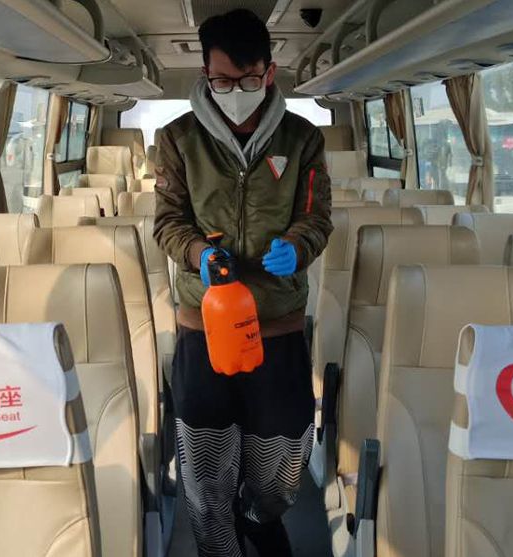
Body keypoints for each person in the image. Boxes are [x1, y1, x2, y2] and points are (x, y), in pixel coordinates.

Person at [153, 9, 333, 556]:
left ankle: (258, 516)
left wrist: (298, 246)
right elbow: (167, 221)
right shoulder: (177, 139)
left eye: (248, 80)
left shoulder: (302, 139)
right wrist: (196, 253)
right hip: (202, 325)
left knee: (281, 465)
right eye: (223, 81)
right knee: (205, 471)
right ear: (205, 73)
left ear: (270, 72)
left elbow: (317, 217)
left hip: (275, 324)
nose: (236, 92)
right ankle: (219, 544)